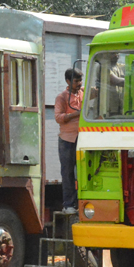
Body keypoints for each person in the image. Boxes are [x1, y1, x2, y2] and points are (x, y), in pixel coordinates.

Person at [55, 67, 83, 214]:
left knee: (83, 171)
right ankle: (69, 204)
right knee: (67, 173)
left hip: (83, 137)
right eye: (76, 81)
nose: (79, 84)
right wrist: (76, 114)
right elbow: (58, 118)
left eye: (80, 80)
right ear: (68, 81)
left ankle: (83, 202)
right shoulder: (62, 97)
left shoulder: (83, 93)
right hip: (67, 140)